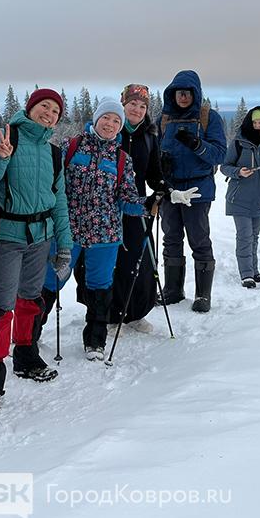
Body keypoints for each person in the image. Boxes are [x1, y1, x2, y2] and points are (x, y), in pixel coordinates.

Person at [0, 88, 73, 411]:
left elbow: (59, 202)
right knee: (2, 304)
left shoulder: (54, 152)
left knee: (31, 298)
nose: (49, 114)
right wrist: (2, 159)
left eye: (55, 111)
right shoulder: (5, 137)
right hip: (8, 236)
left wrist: (65, 245)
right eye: (44, 107)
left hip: (41, 237)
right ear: (30, 108)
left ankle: (26, 357)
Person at [41, 100, 143, 361]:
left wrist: (151, 204)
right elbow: (52, 183)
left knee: (100, 286)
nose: (110, 124)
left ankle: (95, 341)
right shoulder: (71, 147)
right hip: (68, 231)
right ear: (95, 119)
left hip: (105, 235)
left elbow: (128, 197)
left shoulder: (122, 159)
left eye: (116, 121)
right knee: (51, 280)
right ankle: (28, 334)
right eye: (106, 118)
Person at [156, 70, 227, 312]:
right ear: (172, 94)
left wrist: (197, 145)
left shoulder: (209, 118)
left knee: (199, 239)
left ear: (195, 93)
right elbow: (155, 151)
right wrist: (161, 163)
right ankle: (173, 290)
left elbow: (219, 154)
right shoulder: (163, 119)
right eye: (179, 92)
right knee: (171, 238)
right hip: (171, 187)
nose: (183, 97)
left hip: (198, 187)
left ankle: (202, 295)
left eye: (187, 93)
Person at [107, 84, 167, 332]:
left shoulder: (149, 136)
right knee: (112, 261)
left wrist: (164, 189)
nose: (137, 110)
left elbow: (154, 173)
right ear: (123, 104)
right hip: (107, 206)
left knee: (139, 260)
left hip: (137, 207)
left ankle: (136, 312)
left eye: (143, 106)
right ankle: (110, 313)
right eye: (133, 104)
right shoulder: (110, 130)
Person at [221, 106, 260, 287]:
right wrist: (238, 171)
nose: (257, 125)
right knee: (245, 236)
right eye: (254, 122)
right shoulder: (238, 143)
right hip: (239, 198)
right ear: (249, 121)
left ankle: (254, 272)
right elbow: (225, 166)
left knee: (254, 237)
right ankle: (246, 274)